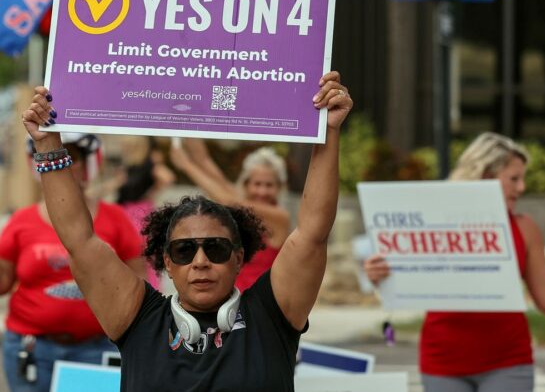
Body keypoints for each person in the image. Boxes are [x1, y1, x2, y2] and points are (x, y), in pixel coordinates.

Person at [21, 71, 352, 391]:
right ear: (167, 261)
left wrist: (329, 129)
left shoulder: (272, 314)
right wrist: (48, 144)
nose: (201, 261)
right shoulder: (137, 317)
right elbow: (79, 240)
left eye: (216, 248)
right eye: (184, 250)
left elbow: (312, 233)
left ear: (239, 258)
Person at [364, 132, 545, 392]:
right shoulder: (434, 219)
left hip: (508, 363)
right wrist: (380, 274)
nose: (522, 188)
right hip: (442, 363)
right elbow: (406, 278)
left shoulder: (525, 228)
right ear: (486, 174)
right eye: (514, 179)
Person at [0, 133, 146, 392]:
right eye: (52, 156)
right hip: (32, 351)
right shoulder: (21, 221)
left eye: (70, 157)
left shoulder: (117, 220)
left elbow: (137, 292)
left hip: (97, 351)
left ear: (89, 164)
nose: (62, 163)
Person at [170, 139, 291, 291]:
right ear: (246, 185)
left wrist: (186, 165)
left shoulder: (280, 217)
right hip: (233, 294)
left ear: (279, 188)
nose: (262, 191)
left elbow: (228, 200)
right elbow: (206, 162)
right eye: (257, 184)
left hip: (260, 298)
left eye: (269, 185)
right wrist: (192, 129)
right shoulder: (243, 205)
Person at [114, 137, 176, 288]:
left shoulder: (149, 163)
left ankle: (151, 292)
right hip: (124, 212)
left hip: (140, 213)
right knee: (127, 255)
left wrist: (152, 191)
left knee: (146, 256)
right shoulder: (128, 166)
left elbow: (168, 177)